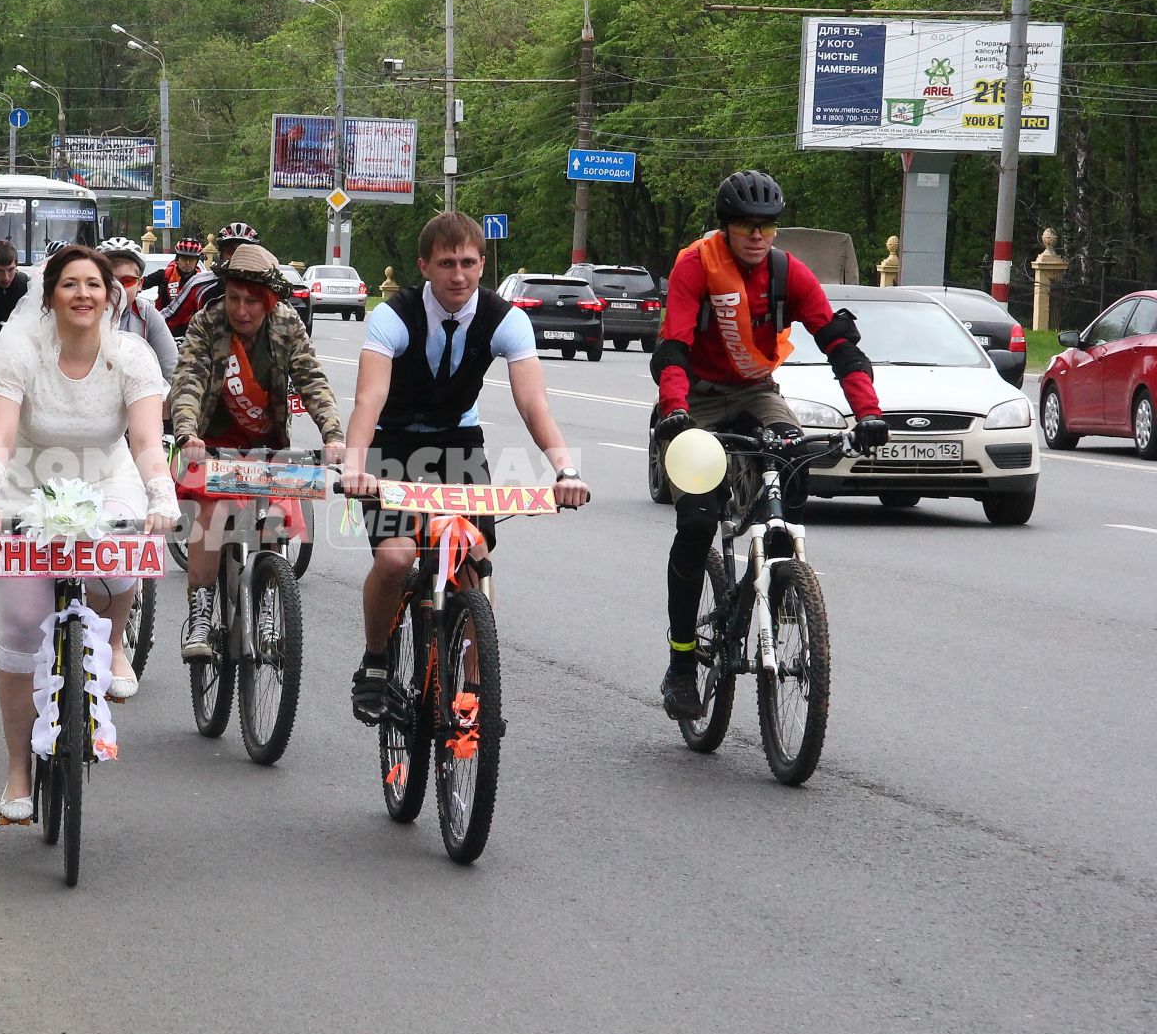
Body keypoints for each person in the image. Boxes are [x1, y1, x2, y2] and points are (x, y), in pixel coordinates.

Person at [650, 170, 889, 719]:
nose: (757, 235)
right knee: (696, 522)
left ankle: (780, 585)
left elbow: (840, 347)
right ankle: (682, 663)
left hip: (756, 390)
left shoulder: (789, 273)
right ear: (727, 227)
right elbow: (674, 347)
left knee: (795, 455)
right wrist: (676, 412)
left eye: (766, 226)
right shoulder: (696, 265)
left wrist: (869, 414)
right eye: (745, 225)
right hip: (699, 398)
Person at [341, 211, 593, 723]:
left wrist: (565, 470)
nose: (459, 275)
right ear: (425, 266)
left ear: (483, 265)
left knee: (473, 555)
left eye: (469, 263)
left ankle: (475, 687)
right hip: (390, 444)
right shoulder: (394, 315)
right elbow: (369, 398)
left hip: (457, 442)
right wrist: (353, 465)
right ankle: (374, 664)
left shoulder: (506, 319)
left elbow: (533, 404)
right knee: (395, 558)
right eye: (447, 263)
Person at [0, 245, 179, 825]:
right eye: (69, 285)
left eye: (95, 284)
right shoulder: (18, 354)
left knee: (121, 564)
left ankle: (113, 644)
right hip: (27, 489)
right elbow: (1, 440)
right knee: (20, 626)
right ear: (50, 296)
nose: (83, 294)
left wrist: (162, 498)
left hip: (109, 479)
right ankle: (17, 769)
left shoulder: (131, 357)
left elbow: (146, 445)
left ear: (112, 296)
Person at [166, 242, 345, 658]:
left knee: (277, 522)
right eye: (233, 298)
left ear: (268, 302)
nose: (240, 310)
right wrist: (188, 432)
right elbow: (189, 380)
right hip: (211, 445)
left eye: (251, 302)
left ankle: (266, 604)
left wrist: (333, 436)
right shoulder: (206, 323)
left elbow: (312, 381)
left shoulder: (287, 326)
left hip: (267, 447)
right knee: (210, 516)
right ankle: (200, 612)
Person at [97, 236, 178, 379]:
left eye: (127, 281)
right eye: (109, 280)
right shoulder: (84, 310)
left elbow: (172, 371)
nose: (118, 288)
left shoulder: (147, 314)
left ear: (140, 284)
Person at [161, 221, 259, 339]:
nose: (236, 257)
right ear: (221, 254)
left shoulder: (270, 288)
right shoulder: (198, 284)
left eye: (244, 252)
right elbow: (167, 318)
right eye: (230, 251)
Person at [144, 237, 203, 313]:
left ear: (197, 261)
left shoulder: (201, 280)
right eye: (184, 258)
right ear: (177, 259)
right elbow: (140, 284)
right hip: (164, 322)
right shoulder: (165, 274)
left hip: (191, 323)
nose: (188, 263)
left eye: (191, 259)